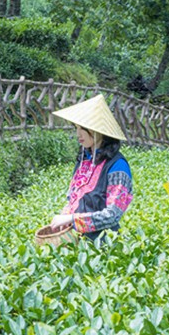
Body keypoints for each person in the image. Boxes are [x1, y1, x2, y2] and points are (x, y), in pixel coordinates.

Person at [48, 94, 133, 240]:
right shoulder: (84, 159)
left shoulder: (118, 166)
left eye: (83, 128)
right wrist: (65, 214)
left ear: (97, 131)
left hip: (104, 244)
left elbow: (112, 215)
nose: (78, 134)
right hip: (77, 240)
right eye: (76, 128)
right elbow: (73, 198)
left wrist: (72, 219)